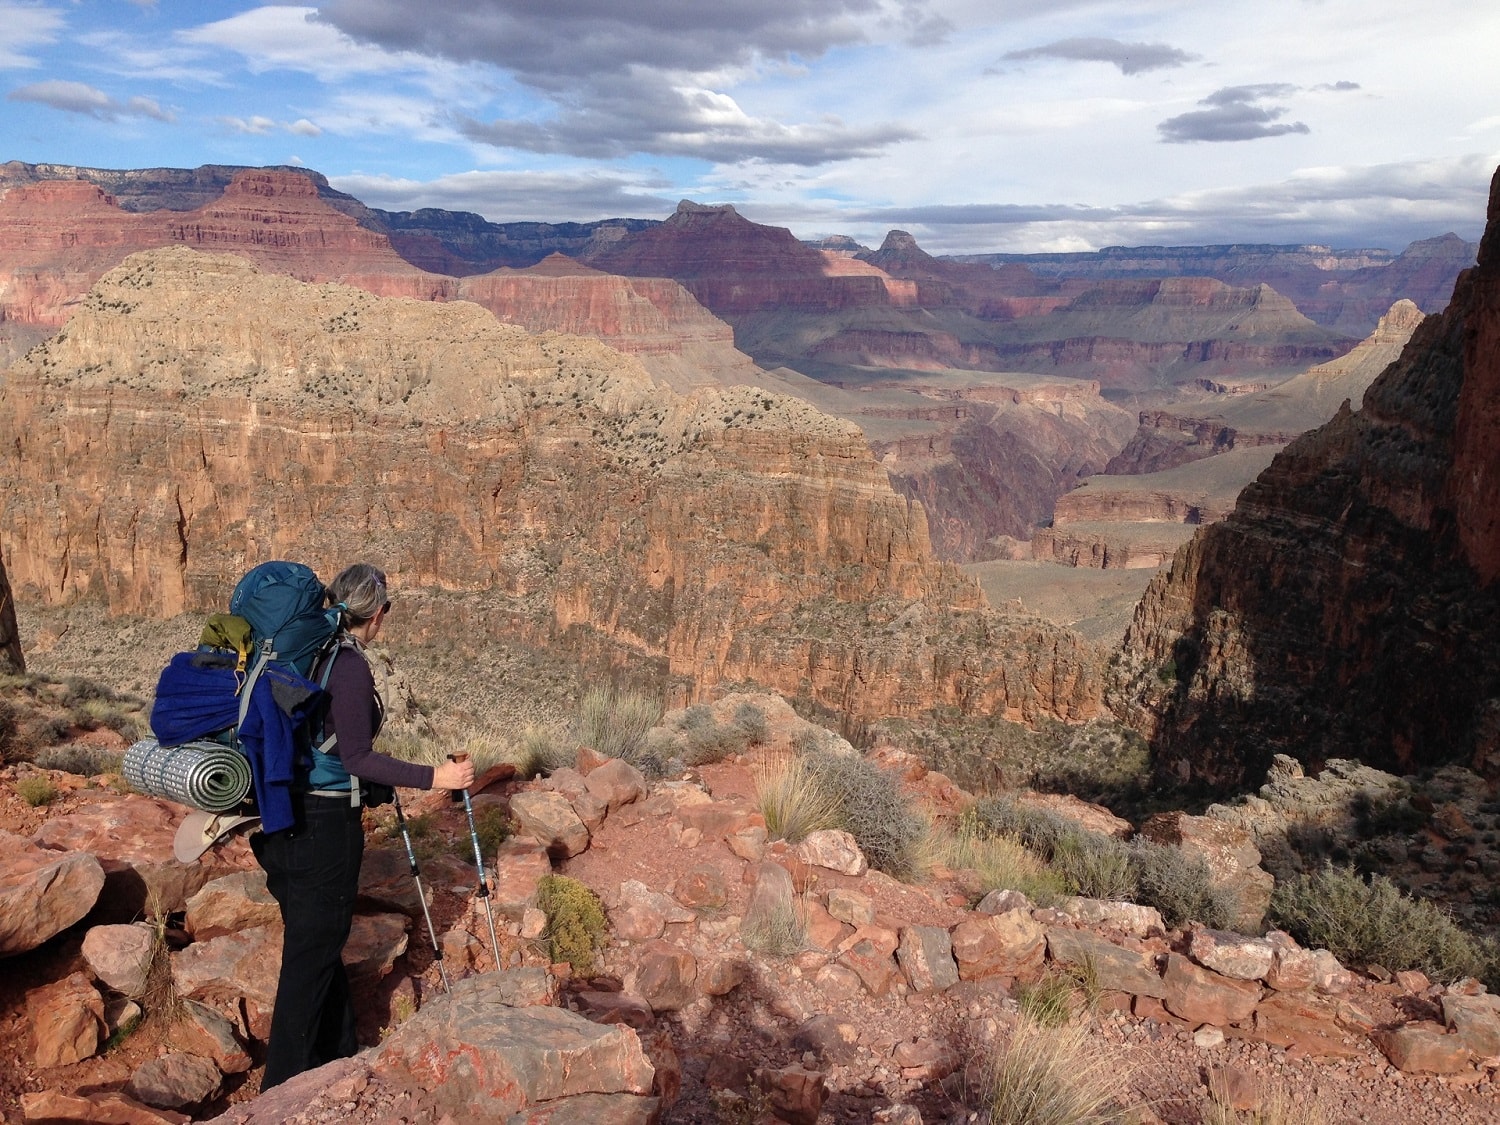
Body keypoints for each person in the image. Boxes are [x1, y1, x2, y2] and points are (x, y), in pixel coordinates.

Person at [251, 562, 473, 1090]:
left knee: (319, 946)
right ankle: (280, 1092)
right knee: (310, 958)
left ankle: (339, 1056)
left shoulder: (308, 651)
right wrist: (435, 775)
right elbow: (355, 757)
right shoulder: (348, 666)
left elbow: (327, 742)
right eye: (386, 611)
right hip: (324, 827)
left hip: (284, 815)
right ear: (376, 613)